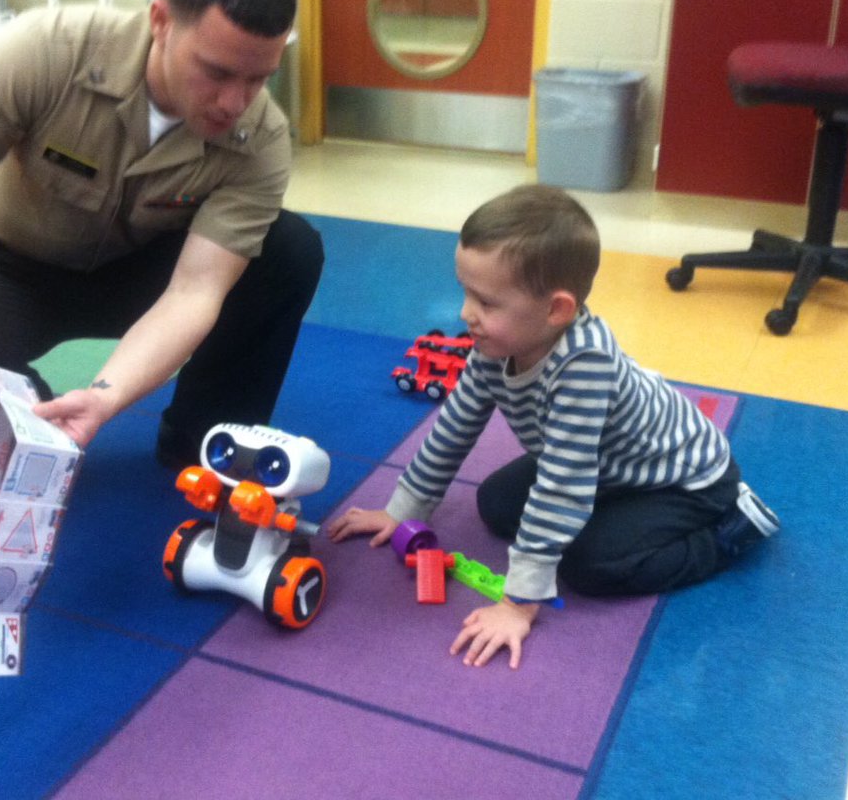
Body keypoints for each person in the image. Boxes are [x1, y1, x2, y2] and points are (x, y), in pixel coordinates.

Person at [0, 0, 323, 464]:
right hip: (17, 265)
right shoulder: (44, 52)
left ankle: (203, 442)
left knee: (288, 251)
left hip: (146, 270)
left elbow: (193, 293)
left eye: (257, 78)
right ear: (160, 21)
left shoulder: (261, 137)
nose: (234, 102)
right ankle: (40, 433)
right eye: (216, 71)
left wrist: (105, 397)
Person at [327, 185, 779, 670]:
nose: (465, 314)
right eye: (466, 293)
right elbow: (455, 424)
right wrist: (402, 510)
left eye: (486, 302)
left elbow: (563, 486)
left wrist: (519, 602)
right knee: (495, 504)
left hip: (684, 482)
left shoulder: (584, 366)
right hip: (605, 466)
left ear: (556, 310)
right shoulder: (496, 344)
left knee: (590, 566)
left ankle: (729, 533)